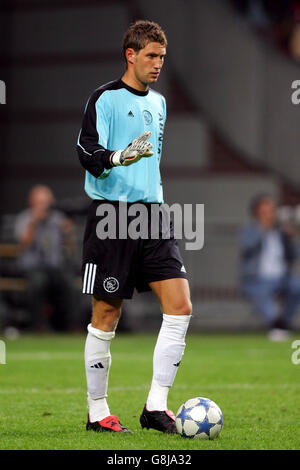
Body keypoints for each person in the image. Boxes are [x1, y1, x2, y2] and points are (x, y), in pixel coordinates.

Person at [76, 20, 192, 434]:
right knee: (107, 314)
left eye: (162, 56)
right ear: (131, 55)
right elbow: (86, 151)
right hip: (112, 215)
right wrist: (118, 157)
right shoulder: (104, 98)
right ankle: (97, 411)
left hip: (153, 215)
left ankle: (155, 407)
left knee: (179, 307)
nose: (158, 63)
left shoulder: (159, 104)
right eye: (151, 56)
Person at [14, 185, 76, 331]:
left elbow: (70, 248)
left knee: (70, 284)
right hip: (33, 267)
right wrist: (34, 223)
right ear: (32, 202)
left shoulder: (57, 219)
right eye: (41, 202)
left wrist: (68, 232)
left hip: (55, 267)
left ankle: (70, 326)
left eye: (47, 202)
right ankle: (38, 326)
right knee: (37, 283)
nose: (44, 206)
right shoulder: (25, 218)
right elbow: (23, 244)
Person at [240, 194, 300, 340]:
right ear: (257, 213)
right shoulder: (250, 230)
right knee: (261, 293)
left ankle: (283, 324)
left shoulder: (281, 232)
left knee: (296, 286)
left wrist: (293, 237)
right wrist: (263, 229)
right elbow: (247, 246)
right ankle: (275, 325)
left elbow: (294, 255)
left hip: (281, 278)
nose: (270, 215)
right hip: (256, 279)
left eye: (272, 211)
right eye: (265, 212)